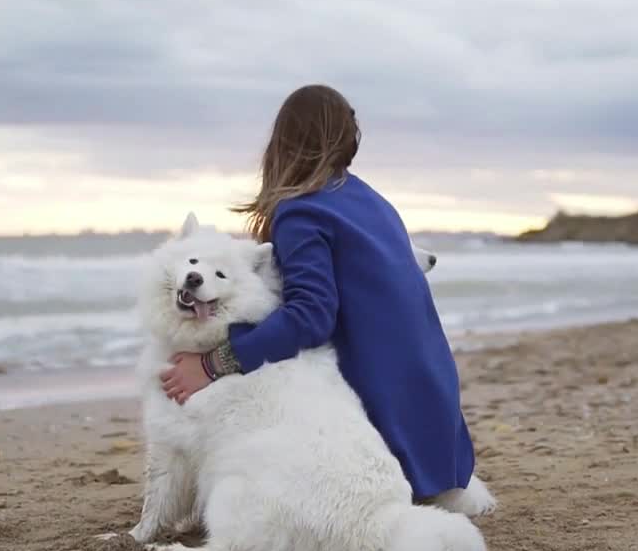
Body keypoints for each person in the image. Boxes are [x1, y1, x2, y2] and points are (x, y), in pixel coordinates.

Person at [159, 84, 478, 504]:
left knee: (267, 366)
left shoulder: (302, 210)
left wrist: (214, 363)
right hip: (438, 427)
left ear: (282, 142)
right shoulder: (372, 201)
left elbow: (311, 317)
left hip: (395, 437)